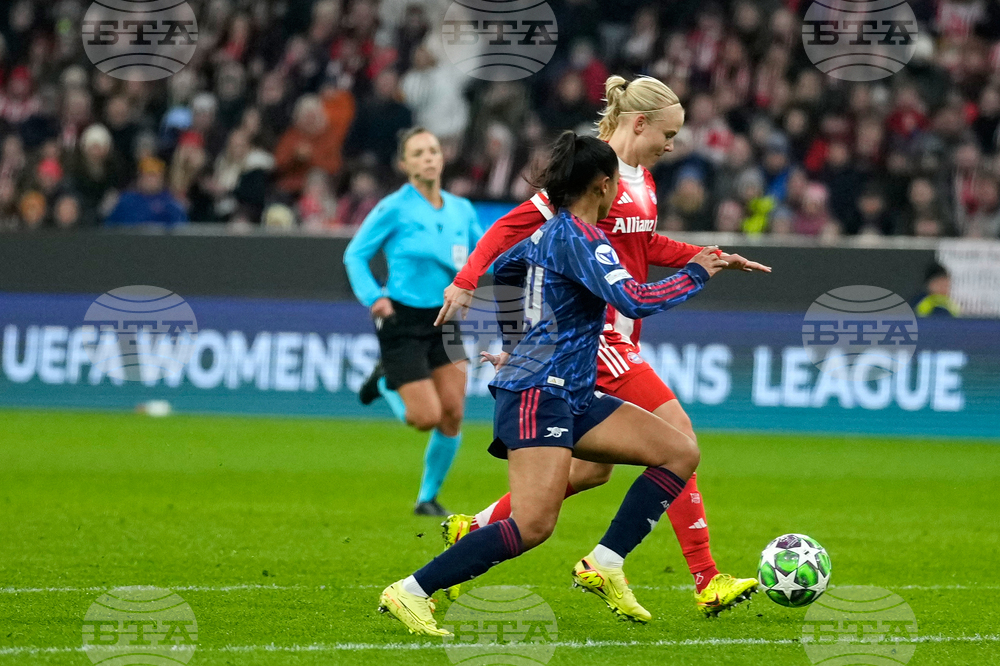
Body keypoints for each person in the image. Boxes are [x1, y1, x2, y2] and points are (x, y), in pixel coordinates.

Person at [435, 76, 770, 616]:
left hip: (619, 334)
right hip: (600, 336)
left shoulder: (641, 181)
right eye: (668, 134)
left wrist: (704, 255)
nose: (673, 145)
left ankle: (475, 528)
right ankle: (703, 577)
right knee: (679, 439)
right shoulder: (589, 176)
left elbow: (644, 242)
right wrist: (467, 280)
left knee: (594, 468)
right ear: (639, 123)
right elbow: (508, 231)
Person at [379, 132, 729, 636]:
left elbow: (503, 272)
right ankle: (411, 591)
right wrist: (696, 273)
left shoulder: (551, 234)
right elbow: (634, 300)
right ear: (604, 185)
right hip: (538, 394)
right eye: (615, 184)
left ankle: (605, 561)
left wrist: (518, 343)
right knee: (533, 525)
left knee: (679, 452)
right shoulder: (583, 240)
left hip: (572, 392)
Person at [344, 127, 483, 516]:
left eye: (433, 150)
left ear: (442, 157)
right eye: (418, 153)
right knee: (425, 418)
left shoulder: (461, 209)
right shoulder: (394, 207)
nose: (428, 158)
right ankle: (385, 381)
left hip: (445, 318)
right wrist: (374, 297)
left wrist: (471, 285)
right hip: (402, 318)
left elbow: (483, 252)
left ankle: (427, 498)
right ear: (404, 164)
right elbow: (355, 254)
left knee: (453, 413)